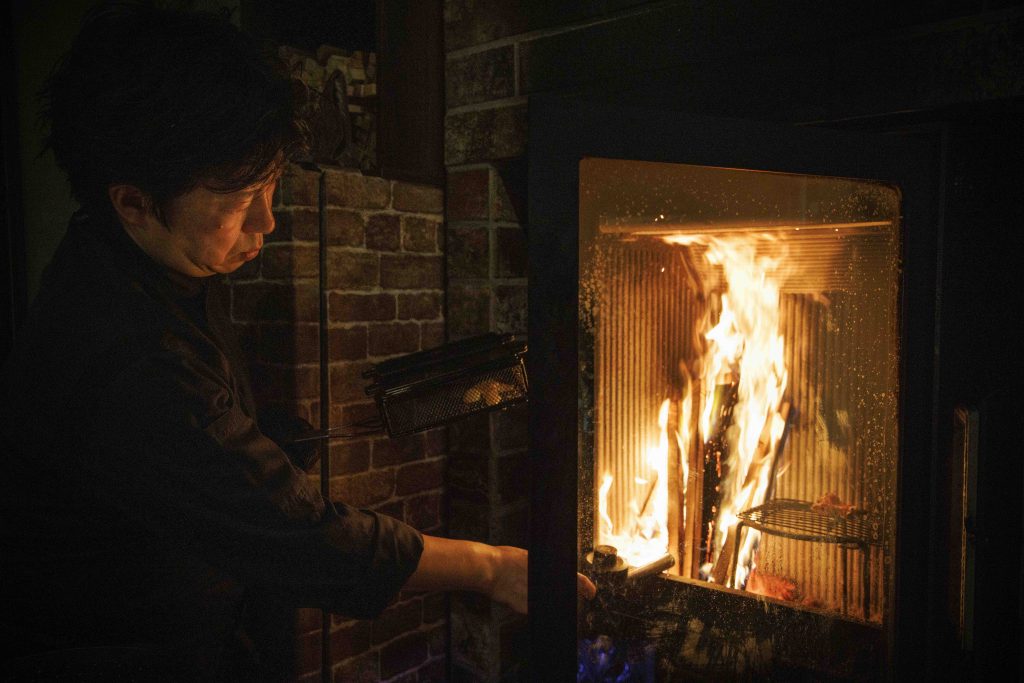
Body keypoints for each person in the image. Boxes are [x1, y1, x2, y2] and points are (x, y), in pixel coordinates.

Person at [0, 5, 595, 680]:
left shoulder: (145, 263)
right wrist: (493, 566)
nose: (268, 219)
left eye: (271, 182)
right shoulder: (126, 352)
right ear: (133, 201)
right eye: (239, 196)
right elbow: (308, 538)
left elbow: (191, 448)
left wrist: (265, 437)